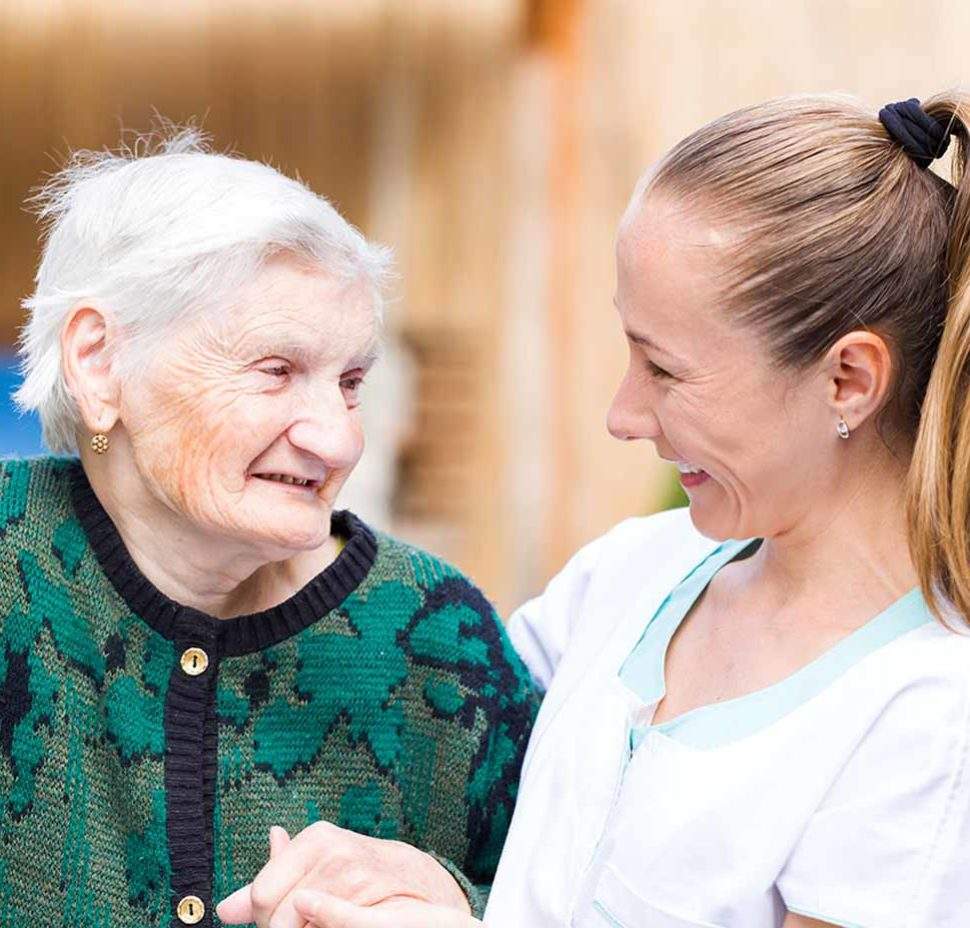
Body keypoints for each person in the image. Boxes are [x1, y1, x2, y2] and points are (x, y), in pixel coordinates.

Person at [266, 93, 970, 928]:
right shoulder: (633, 572)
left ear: (847, 379)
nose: (623, 414)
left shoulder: (929, 718)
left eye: (665, 371)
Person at [0, 129, 538, 927]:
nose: (340, 439)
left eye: (351, 382)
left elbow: (570, 897)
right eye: (276, 371)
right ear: (100, 361)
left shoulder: (441, 641)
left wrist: (461, 912)